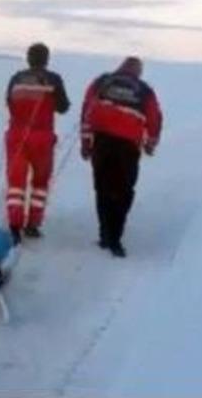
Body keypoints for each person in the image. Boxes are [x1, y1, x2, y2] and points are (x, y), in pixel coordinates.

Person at [80, 56, 163, 258]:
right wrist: (151, 143)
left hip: (102, 142)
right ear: (138, 72)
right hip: (128, 146)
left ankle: (104, 234)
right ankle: (115, 238)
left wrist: (85, 143)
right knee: (124, 191)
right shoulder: (144, 90)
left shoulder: (102, 81)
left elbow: (86, 111)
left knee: (102, 189)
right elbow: (154, 118)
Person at [4, 43, 70, 243]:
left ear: (28, 58)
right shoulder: (53, 79)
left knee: (16, 183)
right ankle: (33, 224)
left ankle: (14, 224)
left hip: (17, 135)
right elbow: (63, 107)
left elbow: (9, 102)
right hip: (42, 137)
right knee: (40, 183)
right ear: (46, 59)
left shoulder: (16, 78)